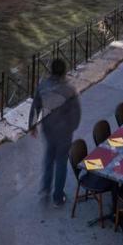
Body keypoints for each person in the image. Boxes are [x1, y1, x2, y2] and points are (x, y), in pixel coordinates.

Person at [28, 57, 81, 206]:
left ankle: (45, 188)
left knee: (48, 159)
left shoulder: (43, 86)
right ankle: (58, 197)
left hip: (48, 130)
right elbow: (76, 113)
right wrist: (71, 128)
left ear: (51, 71)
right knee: (61, 163)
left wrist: (32, 126)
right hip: (64, 134)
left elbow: (35, 106)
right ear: (64, 71)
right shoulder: (70, 90)